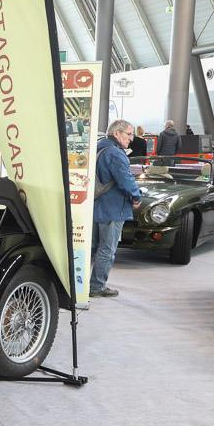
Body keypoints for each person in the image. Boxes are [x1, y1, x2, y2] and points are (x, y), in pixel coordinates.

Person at [90, 119, 142, 299]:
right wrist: (137, 197)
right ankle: (97, 286)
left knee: (92, 247)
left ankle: (76, 283)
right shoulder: (116, 154)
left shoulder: (96, 148)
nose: (131, 139)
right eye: (128, 134)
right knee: (107, 248)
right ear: (116, 133)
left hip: (95, 206)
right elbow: (125, 179)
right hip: (112, 208)